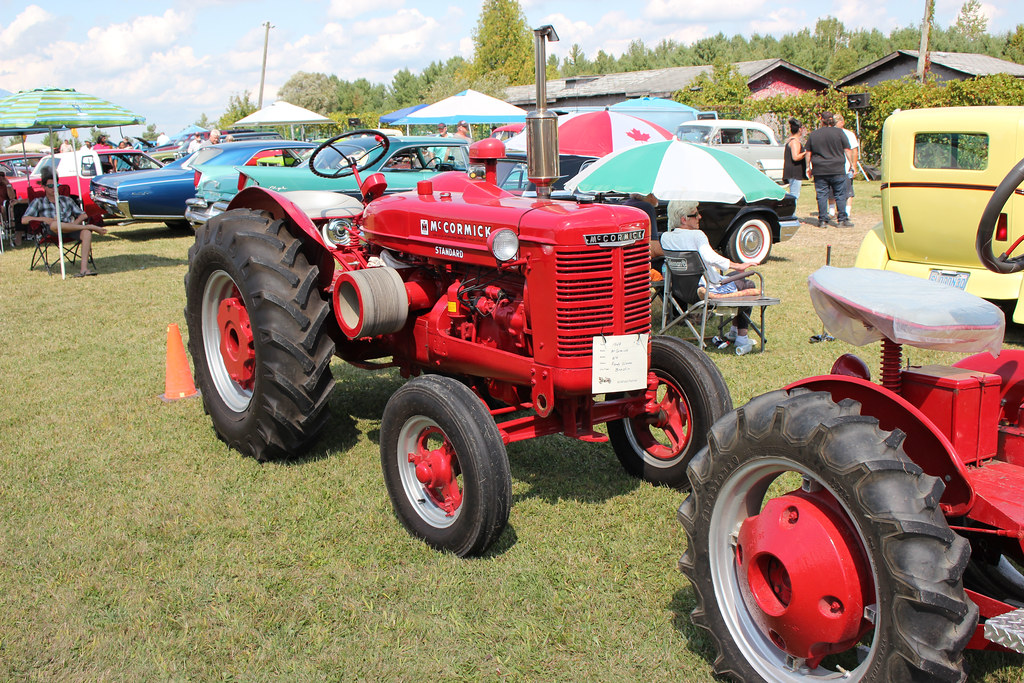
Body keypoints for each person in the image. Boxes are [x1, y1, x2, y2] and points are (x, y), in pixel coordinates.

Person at [651, 199, 760, 355]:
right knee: (748, 283)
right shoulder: (697, 235)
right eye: (695, 214)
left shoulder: (666, 238)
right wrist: (738, 265)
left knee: (738, 278)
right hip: (705, 290)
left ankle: (735, 331)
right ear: (684, 219)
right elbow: (711, 258)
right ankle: (741, 337)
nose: (700, 217)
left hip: (681, 291)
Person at [21, 168, 108, 276]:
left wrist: (75, 224)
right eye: (50, 186)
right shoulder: (38, 202)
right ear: (43, 187)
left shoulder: (66, 200)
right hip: (52, 231)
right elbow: (24, 220)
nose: (54, 188)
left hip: (71, 229)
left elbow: (83, 215)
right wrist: (43, 219)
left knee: (86, 233)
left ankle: (84, 269)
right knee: (54, 224)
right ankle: (90, 226)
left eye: (56, 185)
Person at [805, 111, 853, 228]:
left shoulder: (814, 134)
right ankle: (842, 219)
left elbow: (808, 152)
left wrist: (808, 167)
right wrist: (851, 164)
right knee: (840, 194)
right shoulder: (839, 133)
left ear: (822, 120)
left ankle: (822, 220)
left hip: (820, 169)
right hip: (837, 168)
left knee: (822, 195)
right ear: (832, 120)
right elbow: (847, 149)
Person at [829, 113, 860, 216]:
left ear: (842, 122)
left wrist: (853, 166)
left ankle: (847, 211)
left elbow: (854, 151)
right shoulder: (830, 133)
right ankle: (832, 210)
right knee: (832, 190)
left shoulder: (849, 134)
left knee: (848, 191)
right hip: (834, 167)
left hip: (846, 167)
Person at [782, 117, 807, 200]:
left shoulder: (790, 140)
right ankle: (792, 213)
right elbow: (795, 157)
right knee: (794, 195)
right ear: (800, 130)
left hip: (791, 171)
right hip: (794, 172)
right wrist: (806, 153)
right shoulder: (795, 142)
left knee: (794, 193)